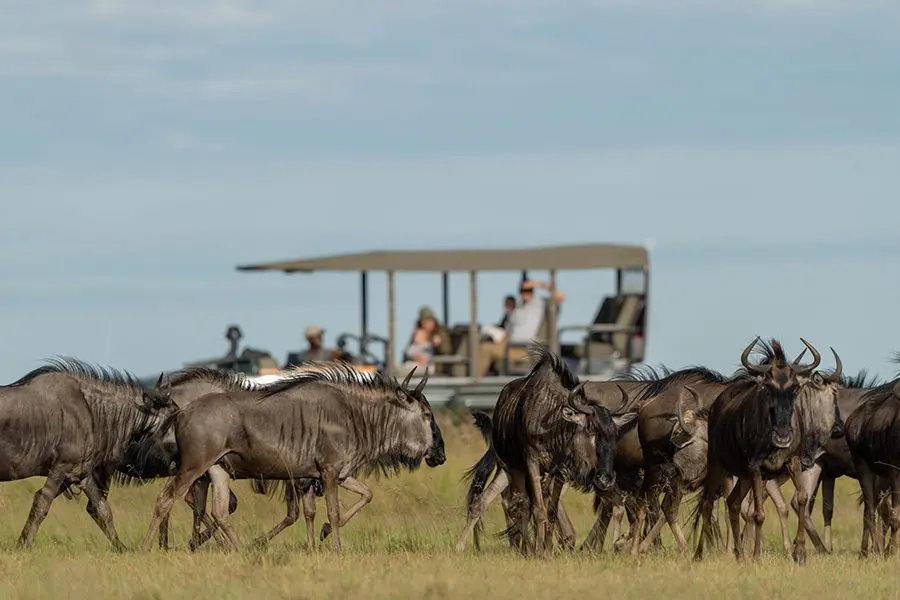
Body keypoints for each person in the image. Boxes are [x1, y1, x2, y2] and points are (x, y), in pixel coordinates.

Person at [476, 280, 565, 376]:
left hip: (525, 350)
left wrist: (537, 284)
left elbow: (560, 296)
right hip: (510, 347)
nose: (525, 293)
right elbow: (508, 333)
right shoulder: (517, 310)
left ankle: (474, 381)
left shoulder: (539, 304)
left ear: (533, 291)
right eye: (522, 290)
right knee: (480, 345)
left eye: (528, 290)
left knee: (486, 349)